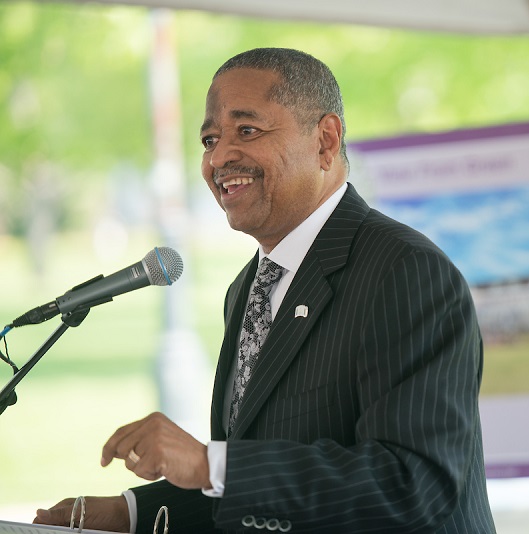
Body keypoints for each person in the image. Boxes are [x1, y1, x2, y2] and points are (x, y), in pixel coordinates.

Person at [35, 47, 496, 533]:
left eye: (247, 131)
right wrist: (130, 513)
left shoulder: (406, 271)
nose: (219, 157)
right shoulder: (248, 288)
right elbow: (256, 489)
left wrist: (212, 465)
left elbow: (412, 483)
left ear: (325, 140)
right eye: (209, 139)